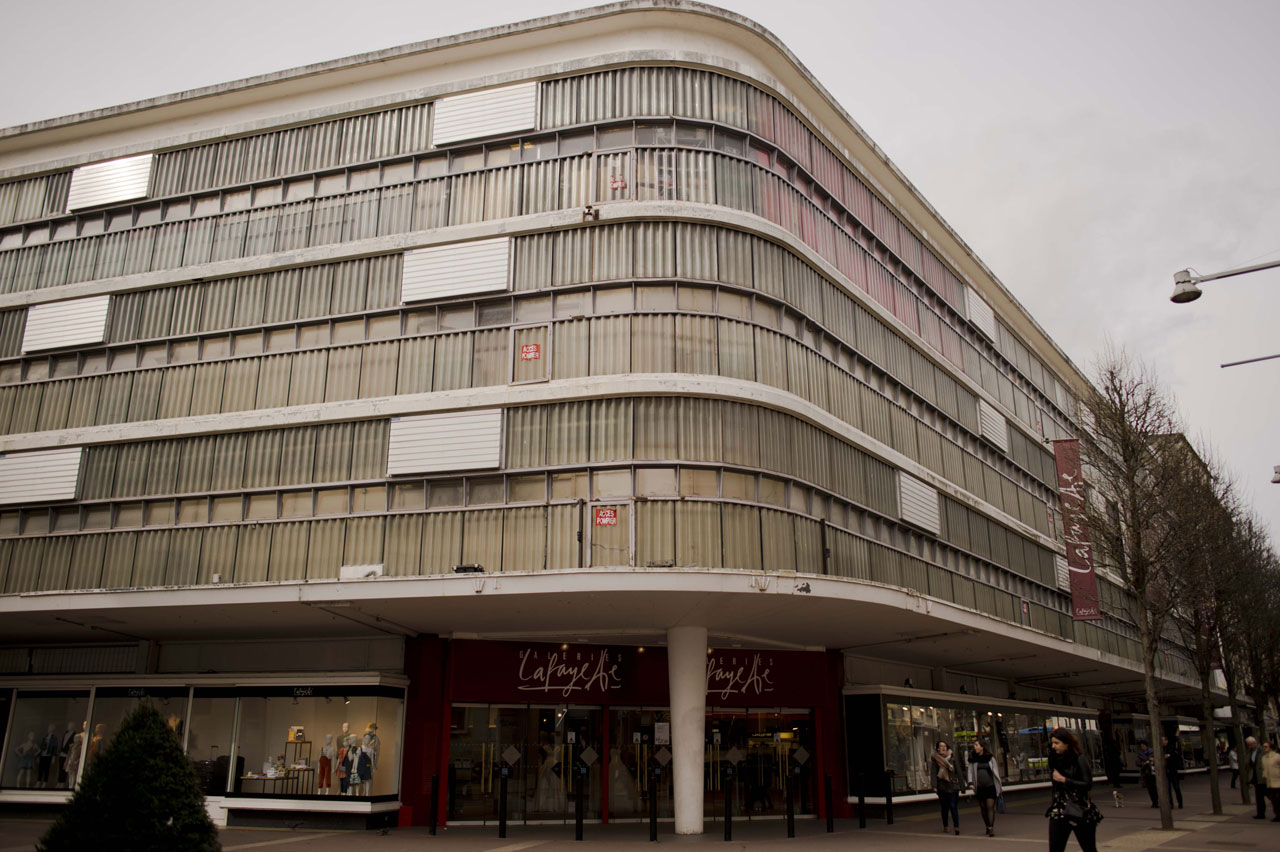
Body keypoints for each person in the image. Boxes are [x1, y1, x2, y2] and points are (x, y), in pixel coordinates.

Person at [1046, 727, 1102, 852]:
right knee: (1055, 848)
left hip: (1078, 808)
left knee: (1088, 848)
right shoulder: (1053, 759)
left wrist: (1064, 780)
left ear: (1067, 743)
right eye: (1052, 743)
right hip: (1059, 809)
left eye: (1057, 743)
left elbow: (1087, 784)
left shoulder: (1079, 759)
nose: (1054, 746)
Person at [967, 738, 1003, 836]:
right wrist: (970, 782)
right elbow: (970, 771)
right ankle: (987, 825)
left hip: (990, 786)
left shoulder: (990, 758)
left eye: (977, 745)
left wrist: (999, 786)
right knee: (983, 808)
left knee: (990, 807)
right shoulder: (972, 758)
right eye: (974, 745)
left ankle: (991, 828)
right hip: (979, 787)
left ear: (982, 747)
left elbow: (996, 772)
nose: (975, 746)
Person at [930, 741, 963, 835]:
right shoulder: (935, 760)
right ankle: (945, 826)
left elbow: (958, 772)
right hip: (942, 787)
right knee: (944, 808)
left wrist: (962, 786)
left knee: (953, 806)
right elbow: (933, 773)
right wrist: (934, 786)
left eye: (945, 746)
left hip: (953, 785)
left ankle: (956, 826)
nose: (943, 748)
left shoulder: (952, 758)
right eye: (941, 746)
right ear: (937, 749)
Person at [1245, 737, 1267, 819]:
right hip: (1255, 777)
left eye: (1250, 745)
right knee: (1259, 796)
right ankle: (1261, 813)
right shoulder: (1250, 752)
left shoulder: (1262, 751)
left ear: (1255, 743)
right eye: (1248, 745)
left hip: (1263, 776)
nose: (1249, 746)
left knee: (1270, 795)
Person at [1160, 736, 1183, 809]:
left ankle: (1180, 803)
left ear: (1166, 741)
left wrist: (1167, 756)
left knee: (1176, 787)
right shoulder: (1162, 749)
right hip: (1167, 771)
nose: (1162, 742)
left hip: (1173, 770)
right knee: (1168, 789)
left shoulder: (1171, 748)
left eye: (1163, 741)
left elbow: (1172, 756)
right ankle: (1171, 804)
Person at [1261, 741, 1280, 822]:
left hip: (1278, 781)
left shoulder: (1277, 756)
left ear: (1271, 747)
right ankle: (1277, 815)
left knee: (1278, 799)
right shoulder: (1264, 758)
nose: (1264, 748)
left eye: (1266, 747)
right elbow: (1264, 768)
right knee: (1273, 800)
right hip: (1269, 782)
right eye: (1263, 747)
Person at [1137, 741, 1158, 807]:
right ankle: (1154, 802)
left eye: (1143, 746)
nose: (1142, 747)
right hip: (1146, 772)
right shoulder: (1140, 754)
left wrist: (1152, 760)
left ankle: (1156, 800)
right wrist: (1143, 763)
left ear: (1146, 746)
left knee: (1155, 787)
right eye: (1141, 746)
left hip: (1154, 771)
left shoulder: (1152, 752)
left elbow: (1157, 759)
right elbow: (1137, 762)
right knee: (1150, 788)